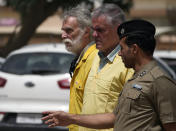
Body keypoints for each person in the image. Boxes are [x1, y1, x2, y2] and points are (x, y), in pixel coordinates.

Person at [42, 19, 176, 131]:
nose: (119, 53)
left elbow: (171, 126)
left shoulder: (160, 81)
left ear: (134, 49)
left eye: (122, 48)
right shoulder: (135, 79)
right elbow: (114, 118)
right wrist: (71, 118)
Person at [79, 3, 133, 131]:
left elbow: (132, 117)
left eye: (100, 30)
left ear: (119, 30)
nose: (94, 35)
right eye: (94, 30)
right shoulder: (95, 57)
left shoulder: (129, 64)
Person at [61, 5, 97, 131]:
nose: (63, 35)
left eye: (69, 31)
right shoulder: (82, 59)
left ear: (86, 32)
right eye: (63, 31)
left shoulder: (96, 60)